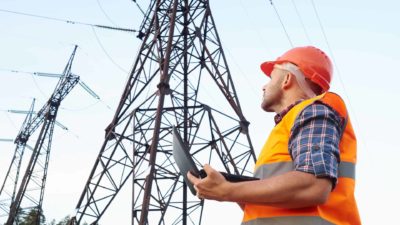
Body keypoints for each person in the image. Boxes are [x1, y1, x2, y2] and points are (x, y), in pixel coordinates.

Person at [187, 46, 361, 225]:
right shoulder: (291, 124)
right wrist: (231, 187)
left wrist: (227, 191)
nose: (264, 86)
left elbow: (314, 185)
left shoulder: (313, 112)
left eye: (270, 78)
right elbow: (280, 202)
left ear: (287, 79)